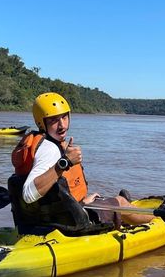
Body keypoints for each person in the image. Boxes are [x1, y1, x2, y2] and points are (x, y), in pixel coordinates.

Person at [8, 92, 152, 234]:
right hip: (70, 226)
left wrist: (81, 203)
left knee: (100, 200)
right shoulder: (49, 149)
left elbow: (52, 195)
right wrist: (65, 162)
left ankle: (119, 217)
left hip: (52, 219)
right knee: (120, 202)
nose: (61, 125)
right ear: (42, 123)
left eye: (64, 117)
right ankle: (157, 221)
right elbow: (28, 194)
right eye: (53, 120)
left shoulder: (42, 143)